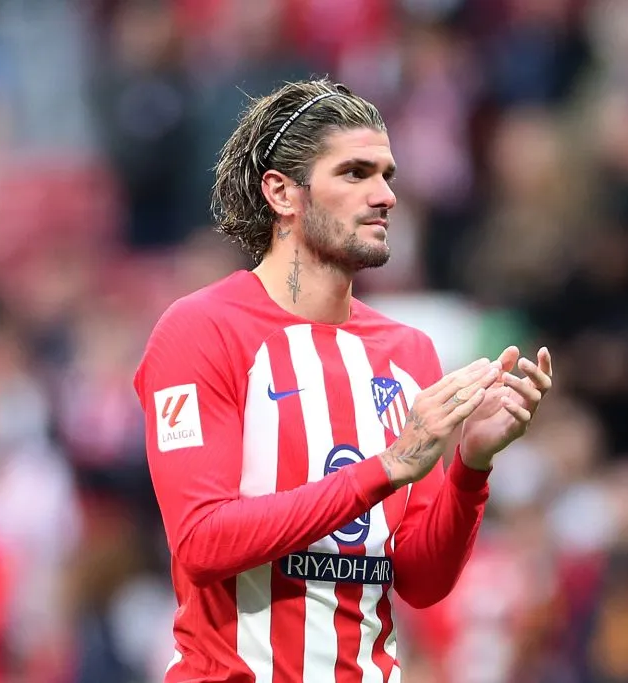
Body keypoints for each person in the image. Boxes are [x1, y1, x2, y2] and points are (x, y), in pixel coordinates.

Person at [133, 78, 554, 683]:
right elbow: (201, 542)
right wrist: (385, 467)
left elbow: (420, 581)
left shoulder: (408, 352)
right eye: (355, 173)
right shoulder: (200, 331)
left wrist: (471, 465)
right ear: (282, 192)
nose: (384, 195)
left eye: (387, 175)